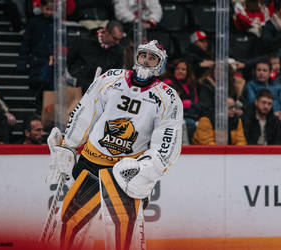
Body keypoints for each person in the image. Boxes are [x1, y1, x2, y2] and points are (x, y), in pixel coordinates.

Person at [46, 40, 183, 249]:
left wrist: (146, 170)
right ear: (136, 57)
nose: (146, 61)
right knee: (71, 221)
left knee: (123, 233)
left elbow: (167, 143)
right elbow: (85, 113)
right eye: (143, 55)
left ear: (160, 65)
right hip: (91, 164)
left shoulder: (168, 98)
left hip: (125, 172)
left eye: (153, 58)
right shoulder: (110, 78)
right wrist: (69, 145)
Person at [17, 0, 54, 113]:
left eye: (51, 9)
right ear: (41, 7)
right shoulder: (34, 22)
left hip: (50, 62)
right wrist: (23, 61)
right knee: (39, 89)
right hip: (37, 61)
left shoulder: (54, 23)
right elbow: (26, 43)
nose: (49, 12)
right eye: (47, 9)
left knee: (47, 91)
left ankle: (42, 112)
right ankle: (39, 111)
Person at [161, 58, 200, 143]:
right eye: (178, 69)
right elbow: (168, 103)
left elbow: (195, 103)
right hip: (173, 117)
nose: (180, 71)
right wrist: (184, 103)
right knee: (190, 124)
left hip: (191, 115)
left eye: (183, 69)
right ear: (173, 70)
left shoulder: (191, 84)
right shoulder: (168, 83)